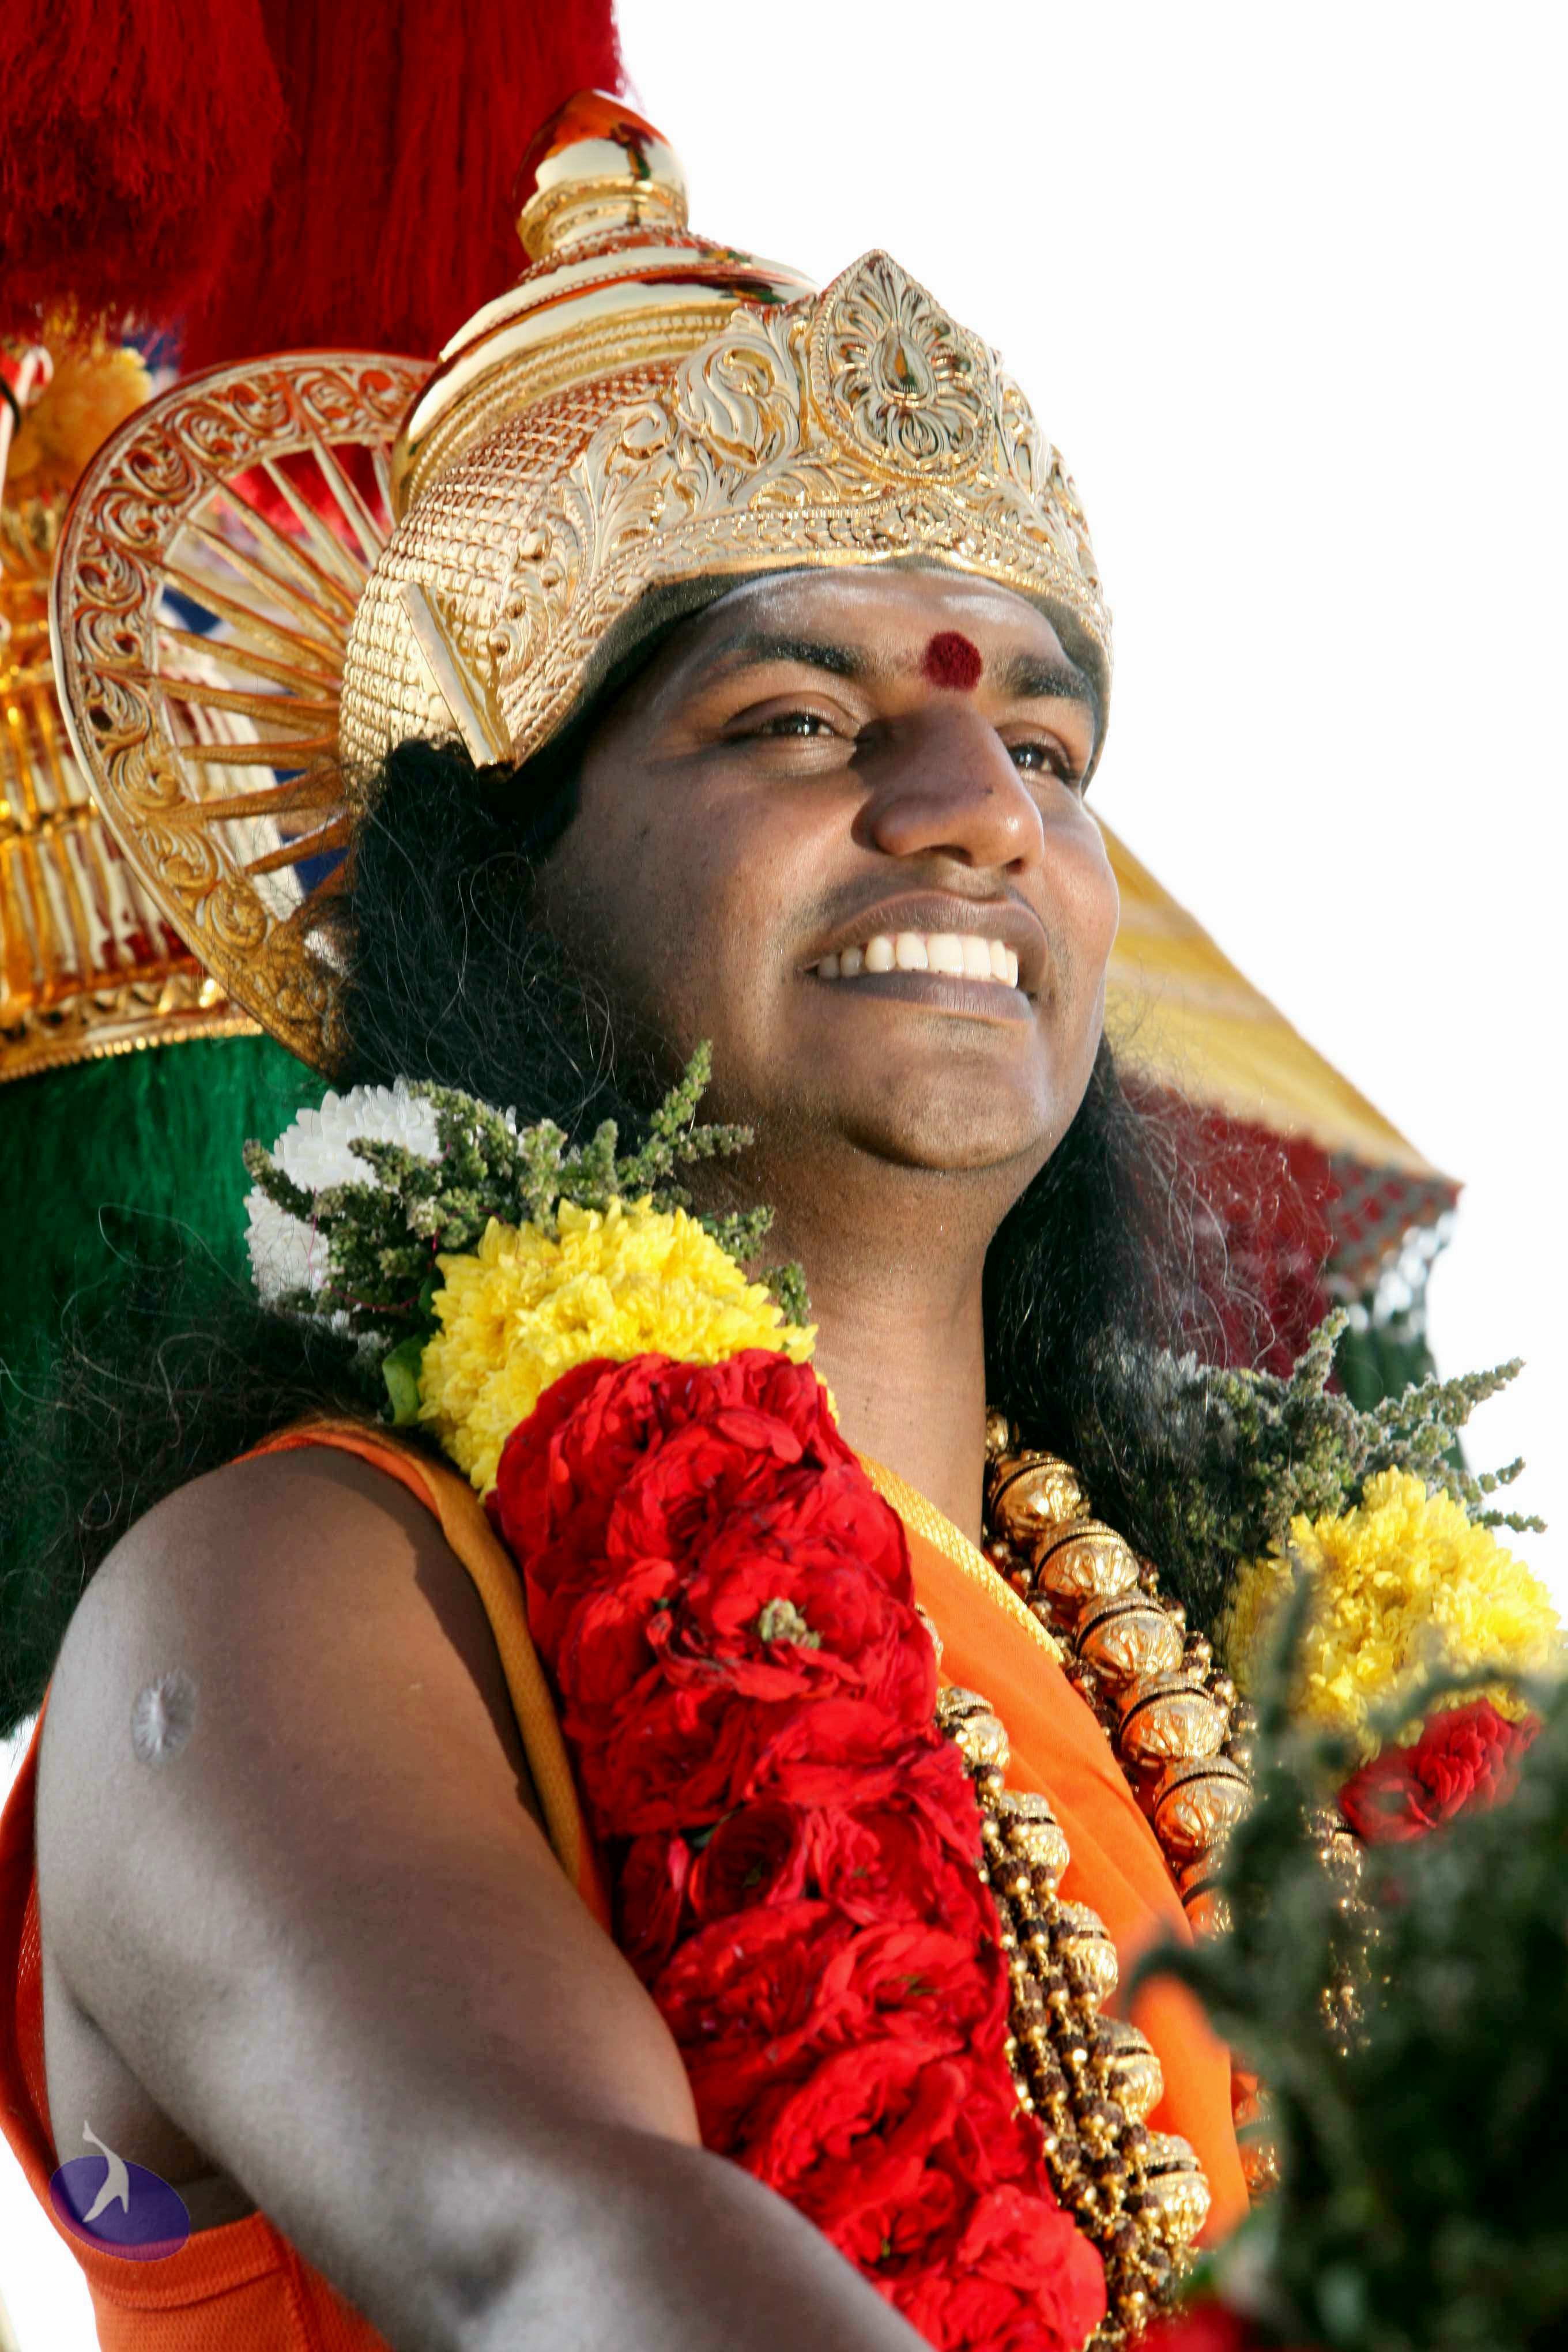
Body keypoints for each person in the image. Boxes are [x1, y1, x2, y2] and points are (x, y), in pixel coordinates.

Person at [12, 78, 1550, 2352]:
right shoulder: (287, 1596)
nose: (974, 808)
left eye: (1048, 751)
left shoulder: (1266, 1663)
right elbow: (566, 2256)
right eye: (798, 720)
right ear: (487, 887)